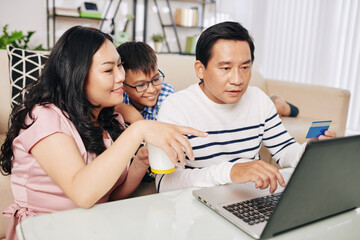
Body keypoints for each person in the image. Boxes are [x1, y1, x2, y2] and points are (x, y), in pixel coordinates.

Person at [0, 26, 207, 240]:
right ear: (77, 75)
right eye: (109, 70)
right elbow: (83, 193)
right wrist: (138, 129)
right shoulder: (45, 117)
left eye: (120, 66)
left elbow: (110, 195)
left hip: (94, 228)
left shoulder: (109, 120)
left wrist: (139, 164)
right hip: (47, 230)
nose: (121, 77)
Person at [155, 21, 335, 193]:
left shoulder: (258, 99)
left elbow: (284, 150)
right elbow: (165, 184)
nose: (238, 80)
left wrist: (308, 150)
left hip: (251, 197)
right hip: (197, 206)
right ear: (200, 69)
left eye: (244, 67)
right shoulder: (176, 108)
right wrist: (230, 172)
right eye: (225, 68)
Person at [116, 41, 175, 121]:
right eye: (141, 85)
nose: (151, 90)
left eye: (156, 79)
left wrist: (136, 118)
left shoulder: (168, 98)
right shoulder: (118, 98)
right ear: (122, 86)